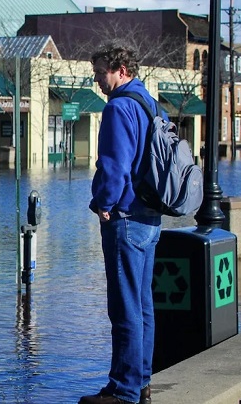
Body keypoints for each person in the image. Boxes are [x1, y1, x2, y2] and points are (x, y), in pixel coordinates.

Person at [79, 42, 162, 404]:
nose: (98, 80)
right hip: (150, 218)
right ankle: (139, 381)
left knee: (124, 305)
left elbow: (114, 166)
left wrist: (103, 204)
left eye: (101, 72)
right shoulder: (149, 103)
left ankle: (124, 391)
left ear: (122, 70)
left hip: (125, 218)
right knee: (143, 306)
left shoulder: (118, 108)